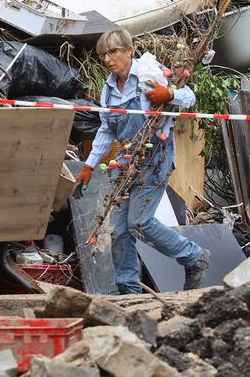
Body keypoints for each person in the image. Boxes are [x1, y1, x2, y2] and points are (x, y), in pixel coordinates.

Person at [77, 29, 210, 293]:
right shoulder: (108, 89)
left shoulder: (150, 72)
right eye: (103, 54)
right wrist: (89, 165)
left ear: (129, 51)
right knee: (119, 232)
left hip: (155, 159)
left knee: (140, 222)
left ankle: (194, 257)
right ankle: (128, 290)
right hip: (126, 163)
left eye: (113, 52)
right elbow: (106, 130)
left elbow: (190, 97)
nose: (107, 59)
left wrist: (168, 95)